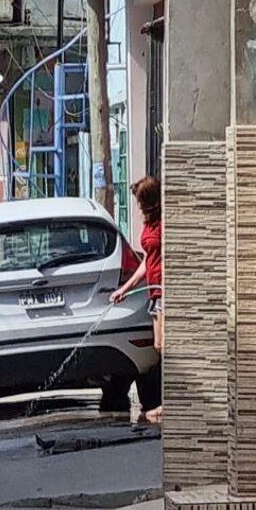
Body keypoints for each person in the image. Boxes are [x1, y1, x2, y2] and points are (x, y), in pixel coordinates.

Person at [111, 174, 163, 426]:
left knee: (166, 346)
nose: (137, 207)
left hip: (164, 290)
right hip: (153, 290)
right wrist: (126, 288)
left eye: (139, 202)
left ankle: (170, 402)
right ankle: (170, 400)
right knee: (160, 346)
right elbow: (146, 262)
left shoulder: (164, 224)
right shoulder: (150, 225)